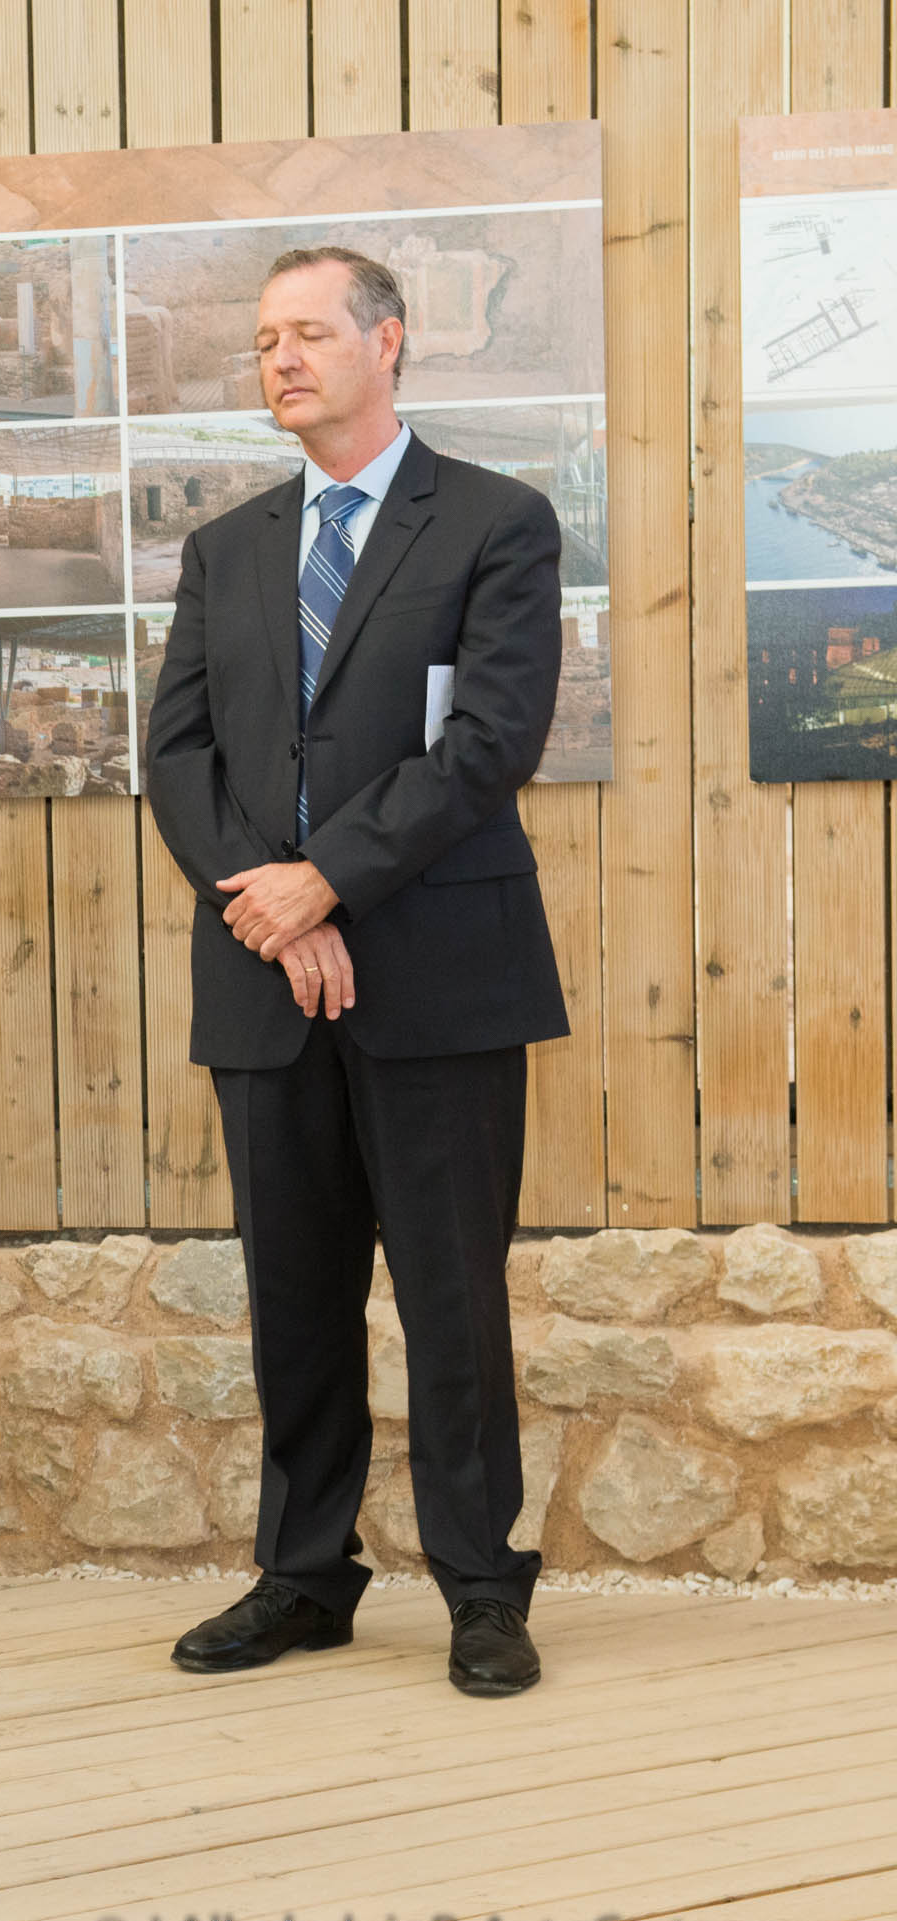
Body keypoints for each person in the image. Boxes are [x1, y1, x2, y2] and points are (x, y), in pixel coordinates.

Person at [144, 246, 567, 1699]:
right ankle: (305, 1576)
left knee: (452, 1293)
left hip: (441, 975)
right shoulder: (228, 547)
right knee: (296, 1293)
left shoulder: (498, 524)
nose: (283, 360)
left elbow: (489, 742)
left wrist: (333, 878)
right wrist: (275, 908)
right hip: (267, 979)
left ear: (391, 342)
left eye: (311, 334)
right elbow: (179, 758)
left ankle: (481, 1585)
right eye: (265, 341)